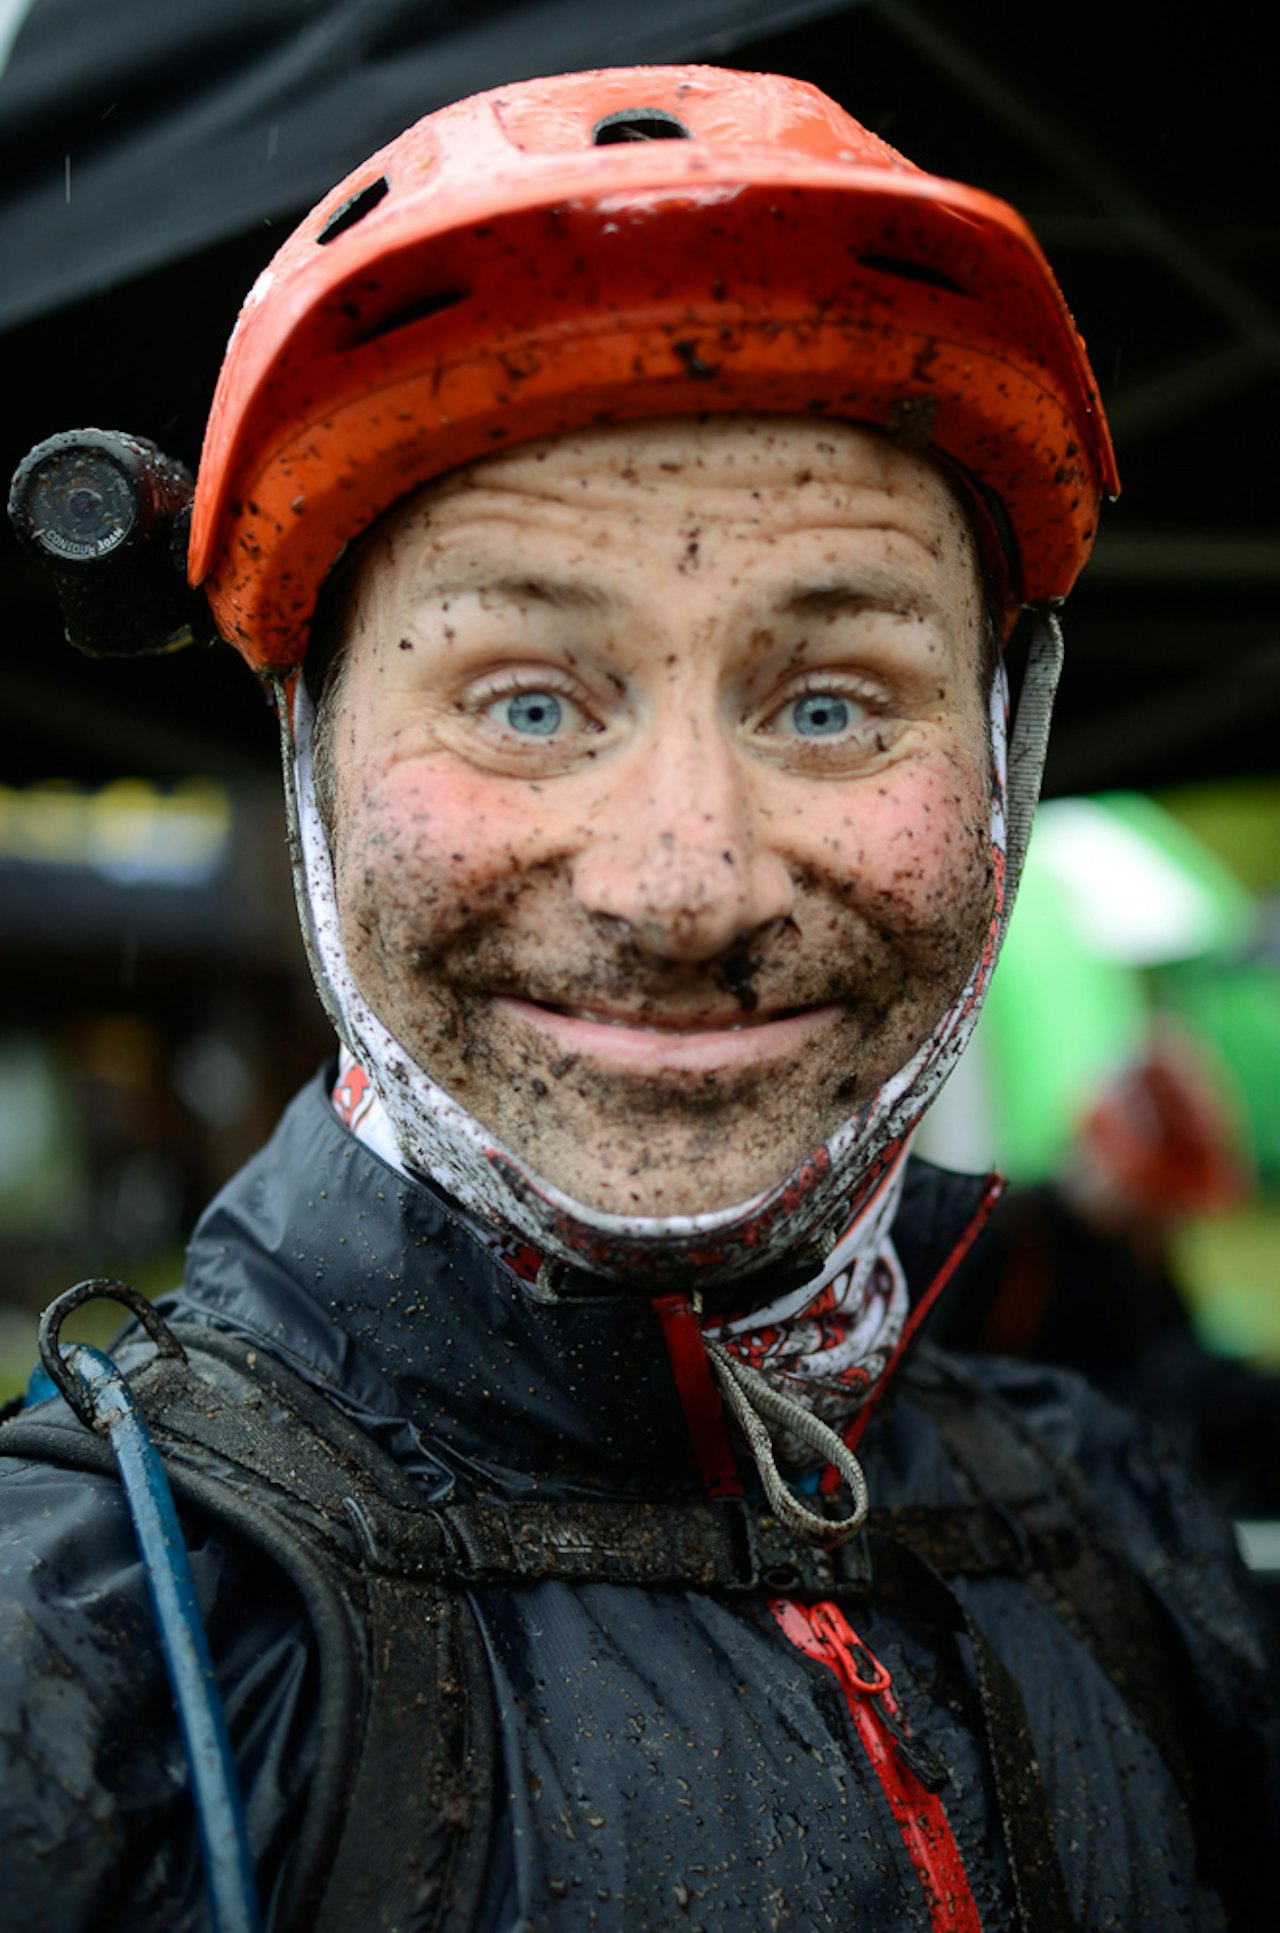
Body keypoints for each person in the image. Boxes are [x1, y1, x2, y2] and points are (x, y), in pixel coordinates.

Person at [2, 65, 1276, 1933]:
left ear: (1010, 756)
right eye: (529, 702)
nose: (688, 881)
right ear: (313, 762)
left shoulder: (1114, 1528)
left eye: (830, 701)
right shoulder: (93, 1648)